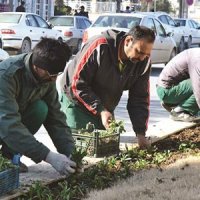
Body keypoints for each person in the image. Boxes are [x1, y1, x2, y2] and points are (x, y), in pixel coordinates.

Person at [59, 26, 155, 149]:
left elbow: (139, 99)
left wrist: (140, 134)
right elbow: (77, 84)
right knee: (81, 149)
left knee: (106, 148)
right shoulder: (99, 46)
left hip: (105, 107)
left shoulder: (144, 62)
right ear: (128, 41)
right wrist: (101, 110)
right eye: (139, 52)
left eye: (147, 54)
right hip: (76, 102)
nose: (142, 58)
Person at [0, 38, 77, 175]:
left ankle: (8, 157)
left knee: (41, 109)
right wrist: (48, 156)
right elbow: (8, 124)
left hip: (8, 124)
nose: (54, 79)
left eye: (57, 75)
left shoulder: (46, 77)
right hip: (4, 123)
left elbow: (56, 118)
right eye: (52, 75)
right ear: (37, 66)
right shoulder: (7, 75)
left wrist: (71, 153)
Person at [157, 48, 200, 122]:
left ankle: (175, 105)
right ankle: (178, 112)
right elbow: (198, 89)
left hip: (172, 89)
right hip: (167, 90)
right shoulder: (198, 59)